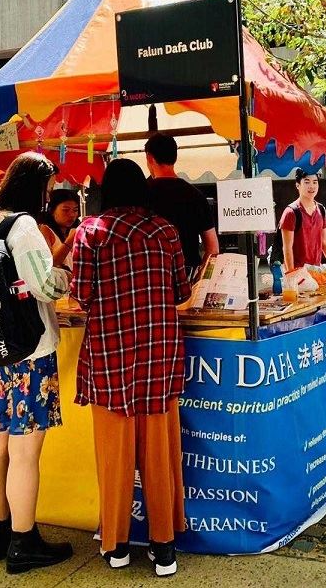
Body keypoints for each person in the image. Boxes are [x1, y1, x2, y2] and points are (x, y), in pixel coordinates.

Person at [71, 159, 191, 577]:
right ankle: (164, 550)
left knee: (114, 458)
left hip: (110, 359)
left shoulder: (90, 232)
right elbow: (181, 291)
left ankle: (117, 546)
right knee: (160, 457)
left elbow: (80, 295)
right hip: (160, 357)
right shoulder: (165, 230)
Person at [0, 152, 73, 574]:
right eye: (48, 188)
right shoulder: (23, 225)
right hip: (29, 350)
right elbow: (45, 286)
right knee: (25, 450)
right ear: (37, 187)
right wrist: (64, 272)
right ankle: (23, 540)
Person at [145, 133, 219, 278]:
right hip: (187, 276)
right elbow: (213, 249)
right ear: (175, 157)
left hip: (150, 278)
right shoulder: (196, 195)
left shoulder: (141, 194)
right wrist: (200, 278)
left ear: (149, 158)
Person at [279, 168, 326, 272]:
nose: (312, 186)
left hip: (316, 271)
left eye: (315, 182)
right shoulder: (290, 212)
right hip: (298, 273)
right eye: (307, 182)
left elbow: (325, 242)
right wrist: (292, 274)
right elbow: (287, 248)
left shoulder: (321, 209)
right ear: (297, 185)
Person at [38, 188, 81, 268]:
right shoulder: (45, 230)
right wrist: (69, 241)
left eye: (75, 210)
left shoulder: (74, 231)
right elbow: (49, 264)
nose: (72, 215)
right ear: (52, 211)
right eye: (65, 210)